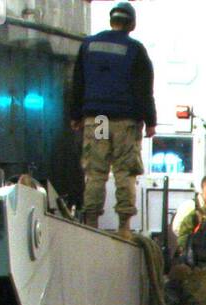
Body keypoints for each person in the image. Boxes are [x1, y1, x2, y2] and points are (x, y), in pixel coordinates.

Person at [67, 1, 157, 230]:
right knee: (124, 172)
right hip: (125, 122)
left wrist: (76, 114)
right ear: (132, 24)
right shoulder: (135, 50)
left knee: (96, 171)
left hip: (98, 119)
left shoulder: (89, 45)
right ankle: (124, 227)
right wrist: (150, 121)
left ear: (111, 20)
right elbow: (144, 89)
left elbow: (78, 82)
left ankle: (91, 222)